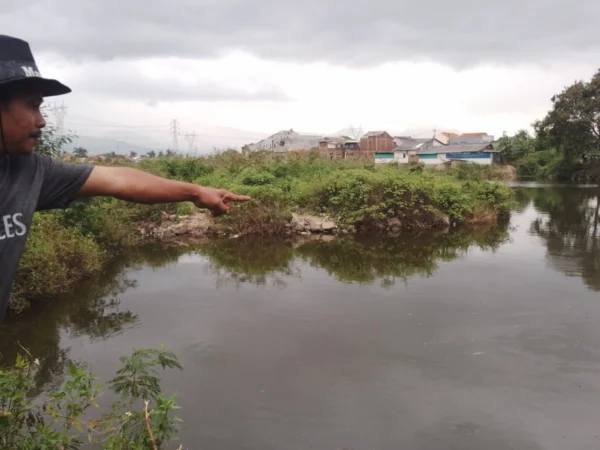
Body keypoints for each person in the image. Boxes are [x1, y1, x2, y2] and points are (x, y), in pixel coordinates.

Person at [0, 35, 251, 321]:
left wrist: (196, 192)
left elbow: (120, 179)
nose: (42, 120)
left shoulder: (30, 171)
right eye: (32, 105)